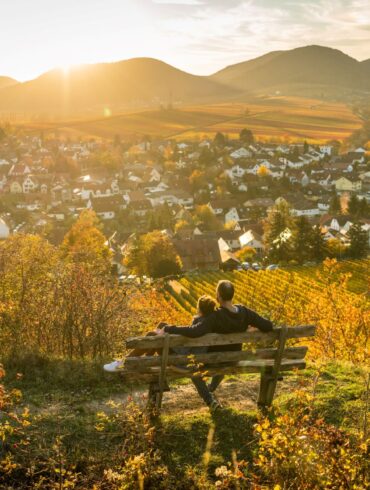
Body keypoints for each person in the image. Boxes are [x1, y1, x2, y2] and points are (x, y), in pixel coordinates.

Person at [156, 280, 273, 411]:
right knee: (200, 363)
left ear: (219, 296)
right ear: (232, 295)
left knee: (194, 364)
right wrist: (250, 329)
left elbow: (195, 331)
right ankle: (211, 389)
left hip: (212, 361)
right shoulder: (245, 312)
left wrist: (168, 328)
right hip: (233, 360)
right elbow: (268, 325)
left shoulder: (215, 315)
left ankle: (209, 396)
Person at [103, 295, 217, 372]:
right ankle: (147, 359)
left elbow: (192, 332)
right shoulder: (207, 321)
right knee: (161, 325)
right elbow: (190, 333)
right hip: (184, 355)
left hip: (181, 361)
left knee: (151, 336)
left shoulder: (203, 324)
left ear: (200, 308)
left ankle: (124, 363)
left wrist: (169, 329)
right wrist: (166, 329)